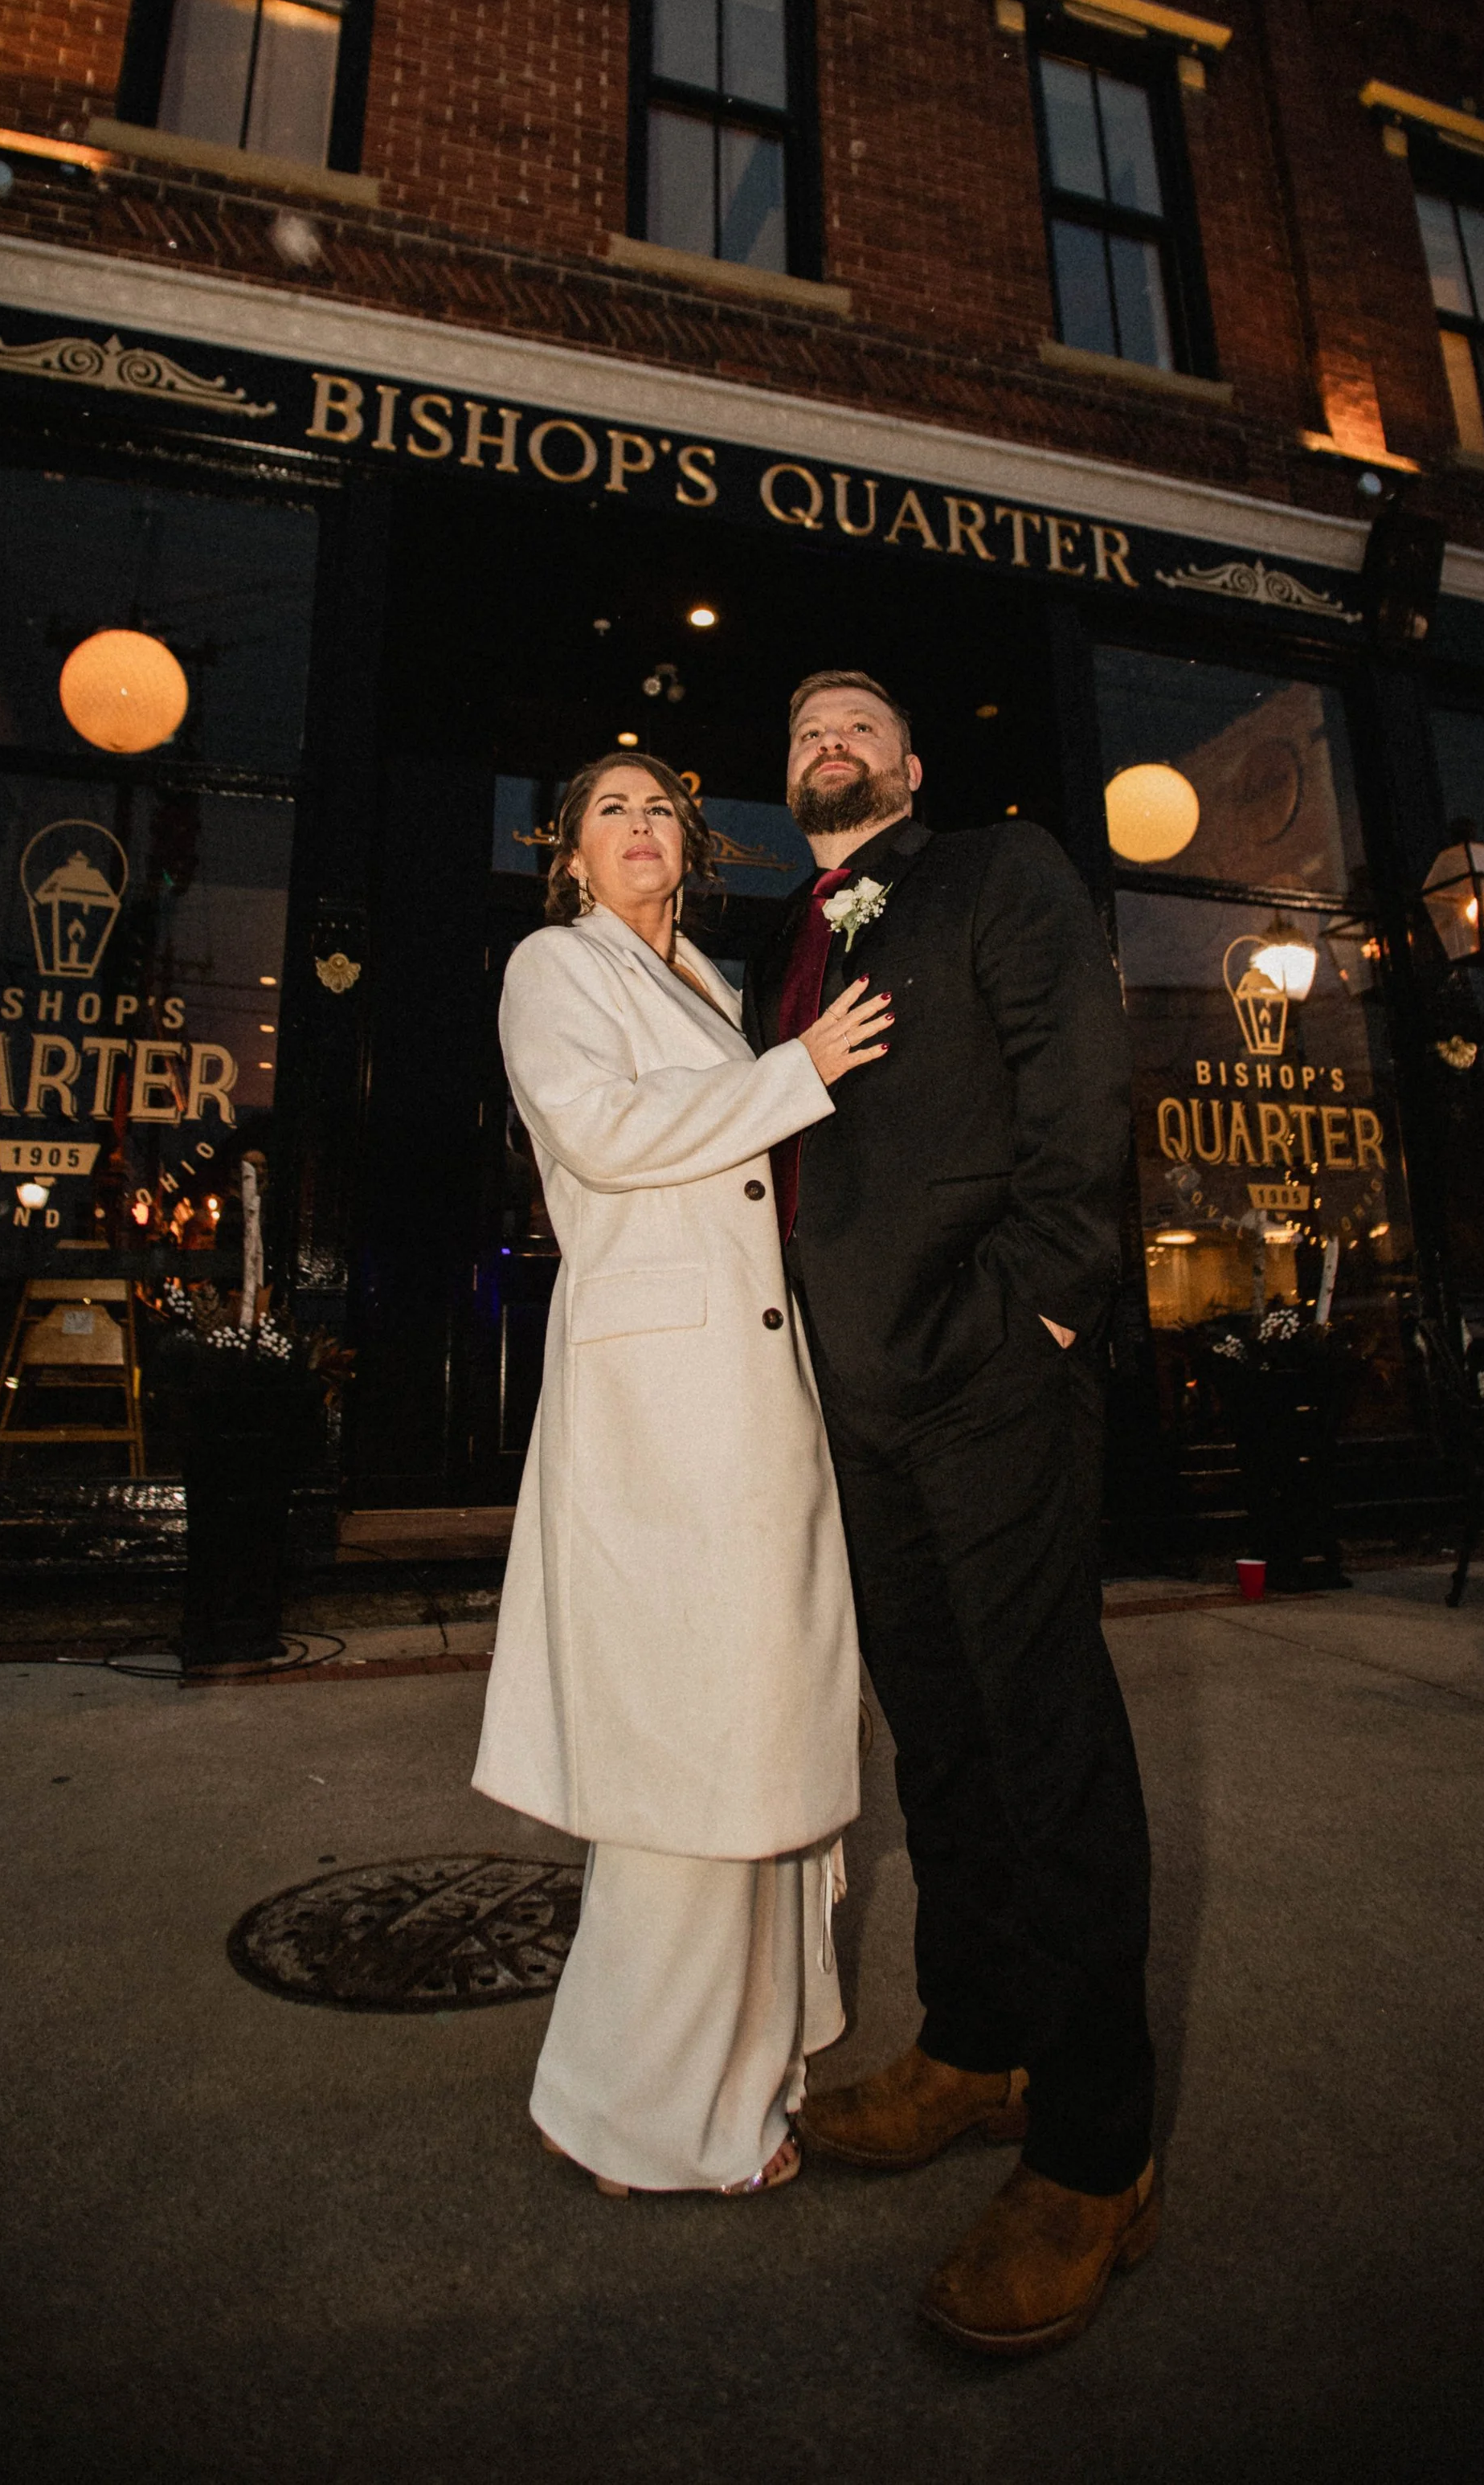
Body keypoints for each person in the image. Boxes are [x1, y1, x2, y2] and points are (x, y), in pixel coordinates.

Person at [742, 669, 1157, 2356]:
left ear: (909, 763)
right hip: (852, 1403)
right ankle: (976, 2045)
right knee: (939, 1736)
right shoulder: (795, 938)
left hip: (986, 1372)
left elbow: (1077, 1085)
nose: (824, 740)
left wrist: (1040, 1311)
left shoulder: (998, 871)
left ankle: (1091, 2151)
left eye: (853, 722)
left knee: (1042, 1739)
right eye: (798, 733)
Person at [472, 750, 889, 2197]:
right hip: (661, 1401)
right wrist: (802, 1072)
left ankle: (738, 2068)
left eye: (662, 810)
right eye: (611, 810)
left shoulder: (713, 982)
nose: (642, 828)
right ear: (568, 856)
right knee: (692, 1744)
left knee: (757, 1723)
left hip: (758, 1390)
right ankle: (633, 2109)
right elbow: (598, 1128)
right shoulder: (553, 966)